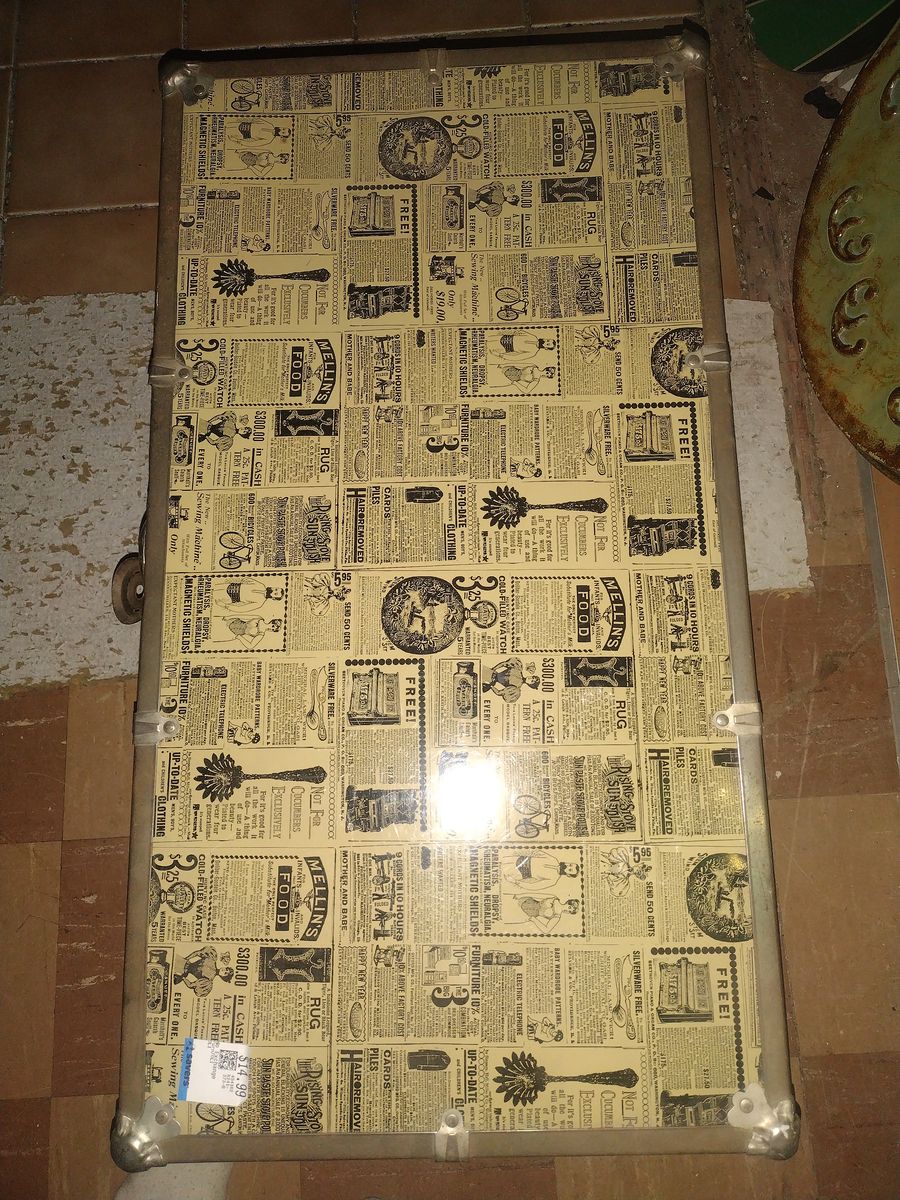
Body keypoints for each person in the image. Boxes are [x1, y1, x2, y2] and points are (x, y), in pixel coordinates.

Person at [500, 851, 580, 891]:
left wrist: (514, 881)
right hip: (516, 859)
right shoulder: (554, 859)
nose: (567, 866)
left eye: (569, 869)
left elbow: (533, 887)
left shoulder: (553, 880)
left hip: (518, 873)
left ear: (568, 875)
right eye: (570, 864)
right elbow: (537, 852)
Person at [513, 895, 579, 934]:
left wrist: (534, 920)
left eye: (570, 911)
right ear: (568, 903)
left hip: (526, 914)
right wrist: (520, 895)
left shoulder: (557, 916)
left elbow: (546, 930)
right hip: (525, 900)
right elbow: (537, 895)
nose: (568, 911)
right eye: (570, 908)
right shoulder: (554, 898)